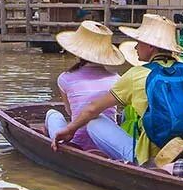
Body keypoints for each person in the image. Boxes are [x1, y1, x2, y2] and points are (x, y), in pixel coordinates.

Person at [52, 13, 183, 163]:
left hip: (149, 158)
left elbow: (92, 109)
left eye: (139, 42)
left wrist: (69, 130)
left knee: (95, 120)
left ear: (151, 46)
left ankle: (135, 162)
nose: (136, 46)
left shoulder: (136, 74)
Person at [43, 21, 126, 154]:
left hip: (77, 142)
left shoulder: (65, 78)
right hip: (106, 144)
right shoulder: (117, 79)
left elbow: (70, 112)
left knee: (52, 114)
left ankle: (51, 143)